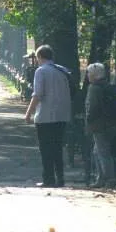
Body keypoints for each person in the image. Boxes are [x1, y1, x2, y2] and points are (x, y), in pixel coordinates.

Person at [24, 45, 72, 189]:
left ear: (40, 57)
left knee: (46, 148)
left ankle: (48, 178)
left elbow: (38, 94)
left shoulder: (41, 71)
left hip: (45, 115)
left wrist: (28, 112)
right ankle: (60, 177)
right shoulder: (62, 70)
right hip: (62, 114)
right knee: (57, 147)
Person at [85, 62, 116, 189]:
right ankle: (100, 178)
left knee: (103, 152)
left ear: (93, 74)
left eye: (88, 73)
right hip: (112, 124)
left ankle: (109, 179)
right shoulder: (109, 86)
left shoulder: (94, 88)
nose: (87, 75)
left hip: (99, 125)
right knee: (97, 151)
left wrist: (88, 120)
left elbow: (92, 107)